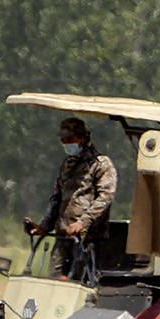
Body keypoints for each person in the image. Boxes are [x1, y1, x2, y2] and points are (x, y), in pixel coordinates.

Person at [28, 117, 116, 280]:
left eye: (70, 139)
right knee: (53, 281)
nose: (66, 143)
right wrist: (43, 226)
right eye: (63, 140)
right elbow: (57, 198)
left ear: (82, 138)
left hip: (88, 239)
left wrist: (83, 222)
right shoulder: (67, 164)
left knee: (76, 283)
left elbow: (106, 197)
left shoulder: (101, 164)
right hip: (63, 236)